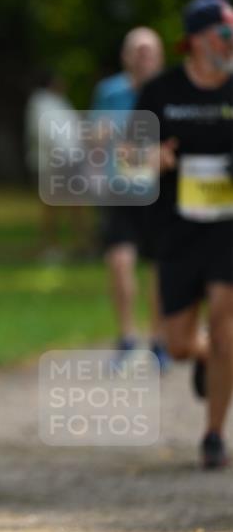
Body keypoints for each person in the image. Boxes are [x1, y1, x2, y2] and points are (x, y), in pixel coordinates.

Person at [135, 0, 233, 469]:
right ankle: (205, 359)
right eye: (223, 33)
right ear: (195, 40)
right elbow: (127, 155)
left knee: (224, 325)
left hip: (227, 231)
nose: (229, 42)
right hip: (177, 229)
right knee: (177, 343)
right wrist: (153, 157)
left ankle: (213, 435)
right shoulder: (160, 92)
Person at [90, 28, 169, 369]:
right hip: (119, 191)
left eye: (149, 52)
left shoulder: (172, 92)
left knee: (159, 270)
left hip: (160, 193)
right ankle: (126, 338)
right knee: (120, 264)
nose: (143, 58)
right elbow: (92, 139)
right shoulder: (109, 93)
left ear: (160, 57)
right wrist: (102, 136)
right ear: (126, 57)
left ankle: (159, 341)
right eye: (137, 51)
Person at [24, 70, 89, 260]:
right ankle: (51, 247)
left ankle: (80, 245)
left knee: (76, 204)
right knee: (52, 207)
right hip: (52, 163)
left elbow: (74, 130)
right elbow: (45, 133)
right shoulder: (40, 102)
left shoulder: (60, 102)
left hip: (70, 160)